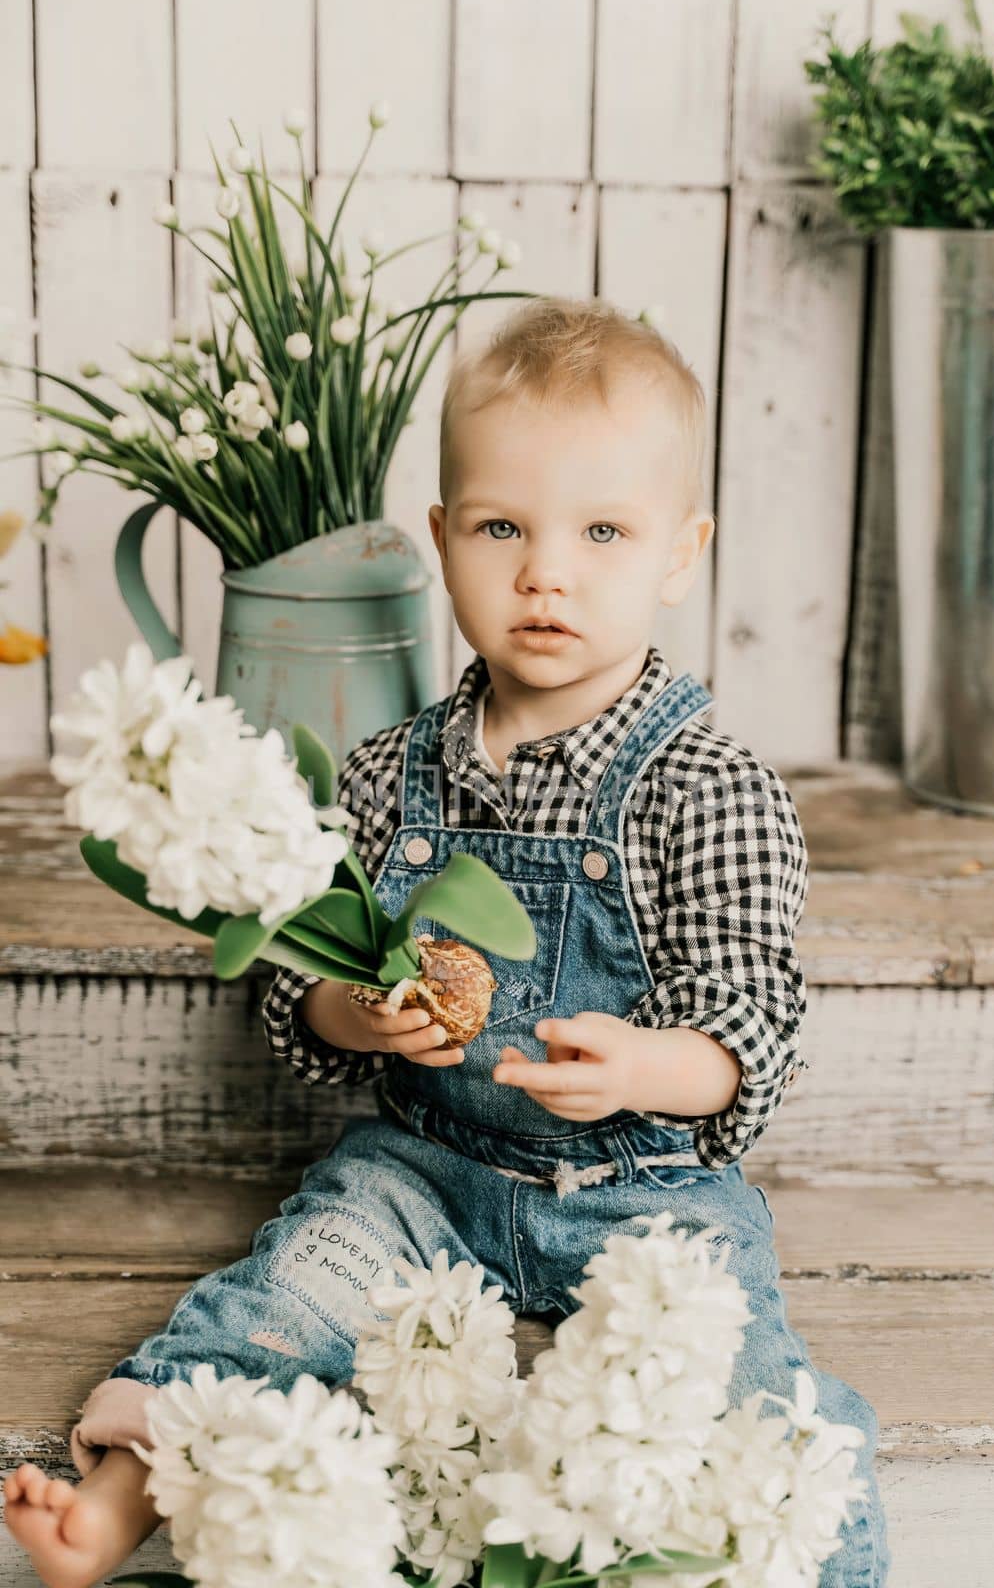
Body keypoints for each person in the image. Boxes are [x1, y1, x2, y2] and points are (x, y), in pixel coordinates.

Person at [3, 296, 889, 1587]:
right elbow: (296, 983)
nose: (546, 572)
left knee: (752, 1398)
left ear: (681, 554)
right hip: (430, 1166)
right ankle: (113, 1504)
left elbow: (752, 1025)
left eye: (602, 531)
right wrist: (347, 1016)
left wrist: (646, 1068)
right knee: (283, 1293)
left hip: (643, 1196)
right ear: (441, 542)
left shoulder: (709, 787)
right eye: (500, 528)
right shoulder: (384, 775)